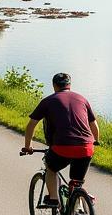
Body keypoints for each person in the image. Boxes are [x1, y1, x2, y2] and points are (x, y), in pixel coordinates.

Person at [23, 72, 99, 205]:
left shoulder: (48, 101)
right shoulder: (82, 99)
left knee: (51, 167)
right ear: (69, 85)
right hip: (86, 147)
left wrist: (27, 146)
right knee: (76, 182)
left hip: (62, 147)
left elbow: (31, 125)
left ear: (54, 86)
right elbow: (94, 125)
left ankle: (53, 198)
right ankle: (79, 210)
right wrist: (96, 141)